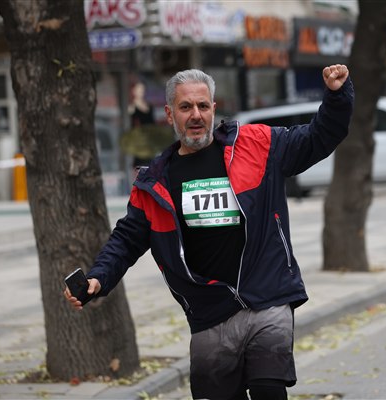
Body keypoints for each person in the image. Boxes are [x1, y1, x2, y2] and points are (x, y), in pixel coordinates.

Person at [65, 65, 353, 399]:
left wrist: (336, 95)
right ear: (169, 114)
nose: (196, 115)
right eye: (186, 107)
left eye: (203, 106)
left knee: (269, 388)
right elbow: (127, 238)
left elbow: (320, 136)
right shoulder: (154, 182)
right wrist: (99, 278)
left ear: (214, 109)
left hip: (267, 297)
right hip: (209, 311)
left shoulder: (256, 145)